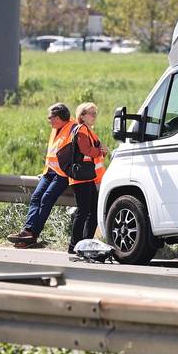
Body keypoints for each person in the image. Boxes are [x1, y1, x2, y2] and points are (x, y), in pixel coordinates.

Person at [7, 103, 75, 247]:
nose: (48, 120)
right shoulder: (56, 128)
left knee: (46, 199)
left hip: (63, 174)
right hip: (49, 172)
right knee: (36, 197)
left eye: (49, 117)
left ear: (57, 118)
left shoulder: (73, 128)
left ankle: (33, 234)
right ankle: (27, 230)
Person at [68, 102, 108, 254]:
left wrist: (101, 151)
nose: (94, 116)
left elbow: (94, 151)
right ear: (82, 116)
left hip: (87, 177)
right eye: (91, 113)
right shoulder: (82, 130)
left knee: (91, 211)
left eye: (95, 113)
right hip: (81, 178)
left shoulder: (88, 131)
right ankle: (74, 246)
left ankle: (83, 244)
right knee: (84, 211)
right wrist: (100, 151)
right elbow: (87, 150)